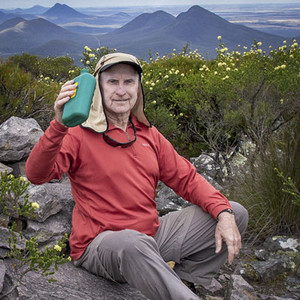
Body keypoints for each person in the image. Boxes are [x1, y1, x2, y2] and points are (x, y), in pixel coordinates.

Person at [25, 52, 248, 300]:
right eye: (112, 82)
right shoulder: (79, 132)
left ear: (138, 87)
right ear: (98, 87)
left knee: (234, 212)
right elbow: (37, 174)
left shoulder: (148, 135)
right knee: (132, 244)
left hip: (151, 237)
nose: (121, 91)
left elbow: (187, 179)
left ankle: (186, 281)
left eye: (129, 82)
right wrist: (59, 124)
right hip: (102, 245)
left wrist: (223, 213)